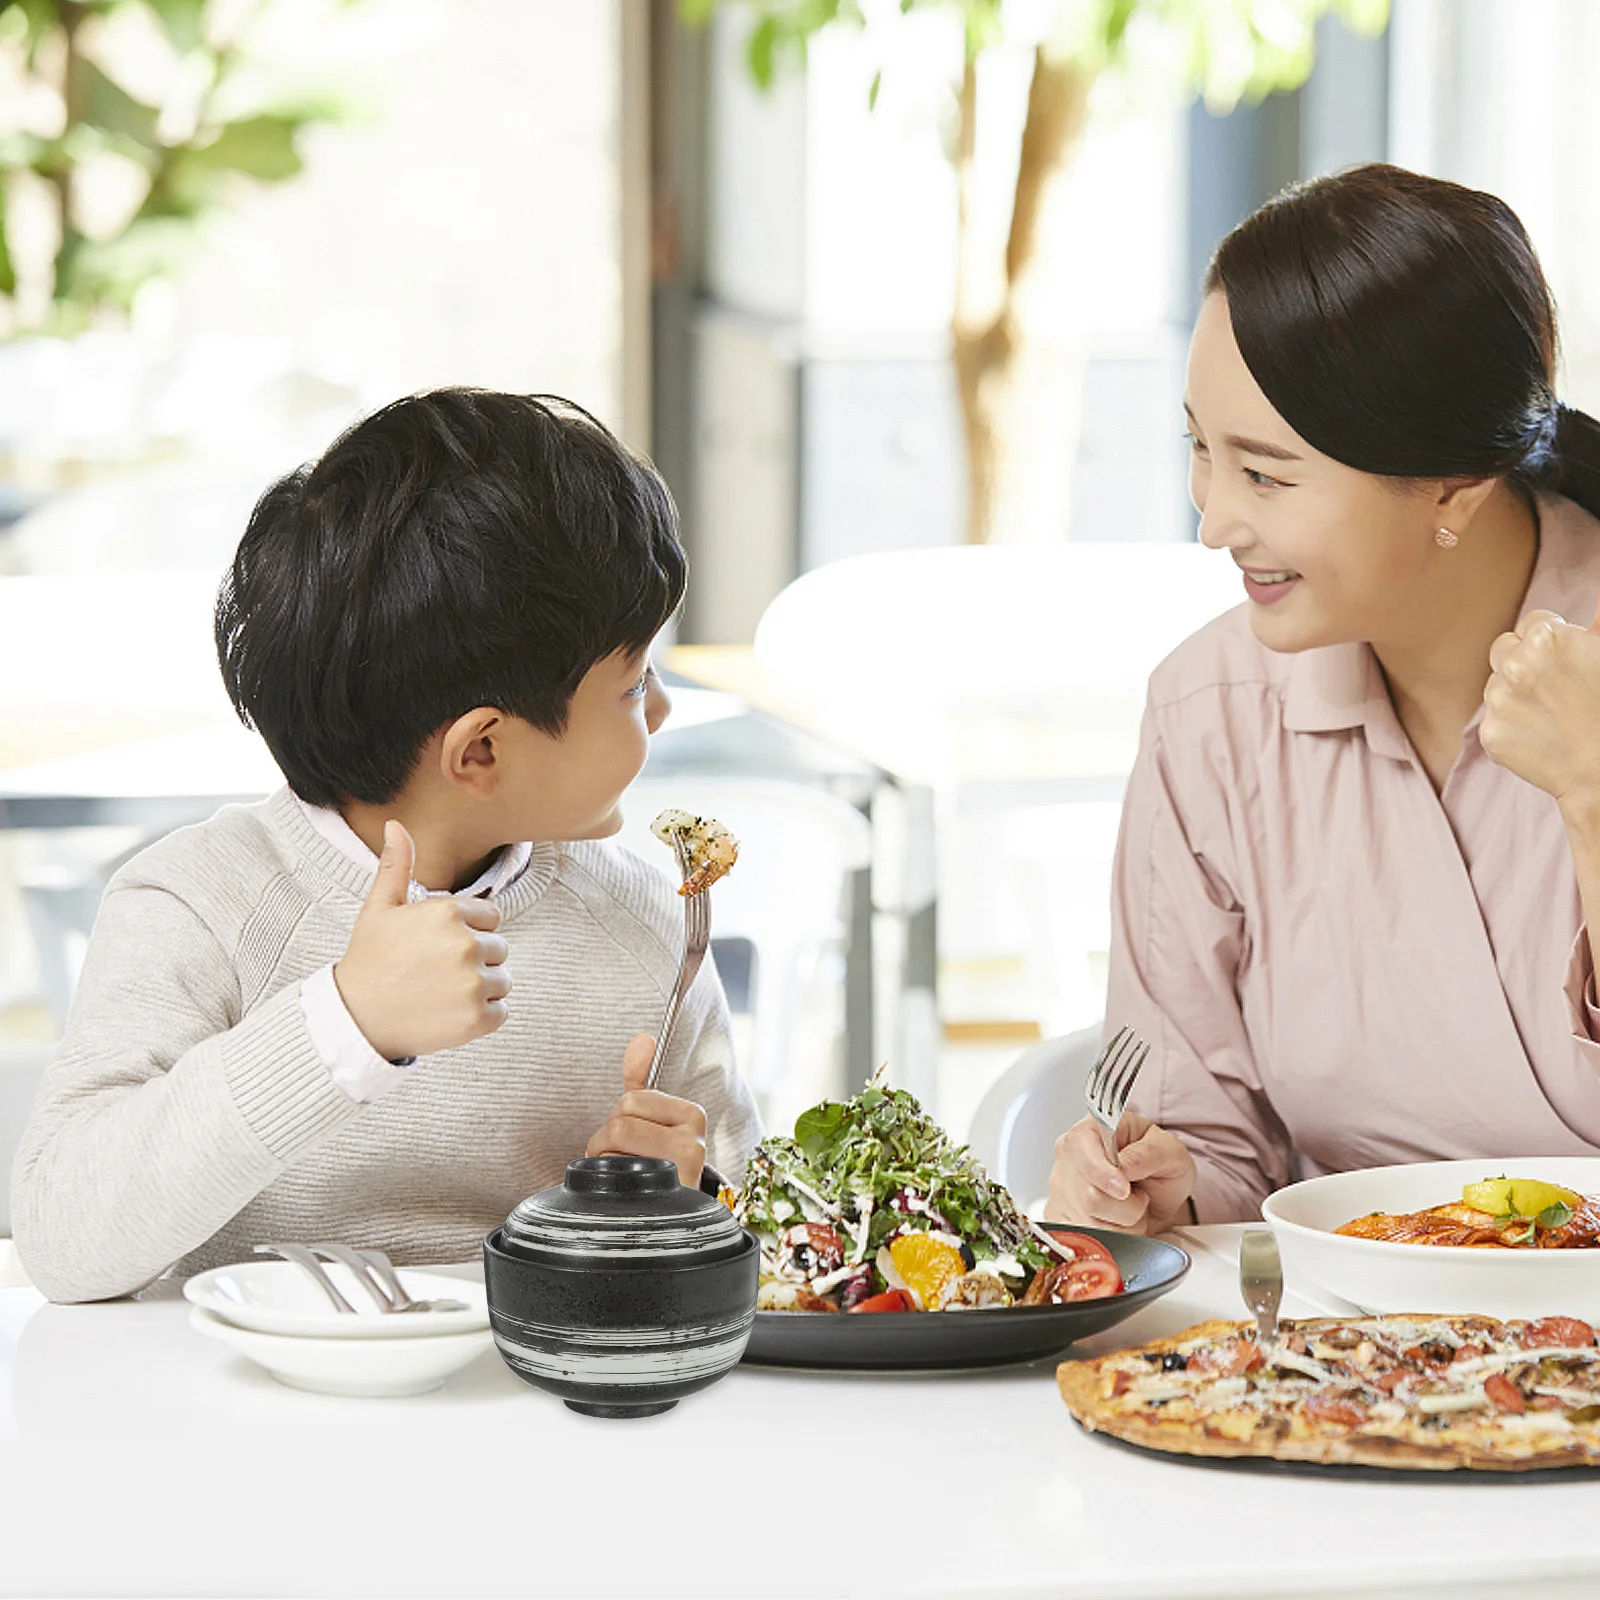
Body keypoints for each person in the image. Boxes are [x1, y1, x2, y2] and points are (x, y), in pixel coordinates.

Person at [9, 389, 762, 1302]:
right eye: (634, 684)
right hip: (237, 1392)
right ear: (480, 751)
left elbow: (756, 1230)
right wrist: (343, 1021)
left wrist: (684, 1205)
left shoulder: (647, 927)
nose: (663, 708)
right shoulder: (199, 904)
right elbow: (61, 1240)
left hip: (527, 1389)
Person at [1046, 164, 1600, 1234]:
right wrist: (1161, 1183)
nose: (1213, 521)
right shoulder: (1210, 715)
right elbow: (1211, 1143)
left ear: (1454, 484)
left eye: (1265, 474)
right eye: (1201, 451)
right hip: (1341, 1322)